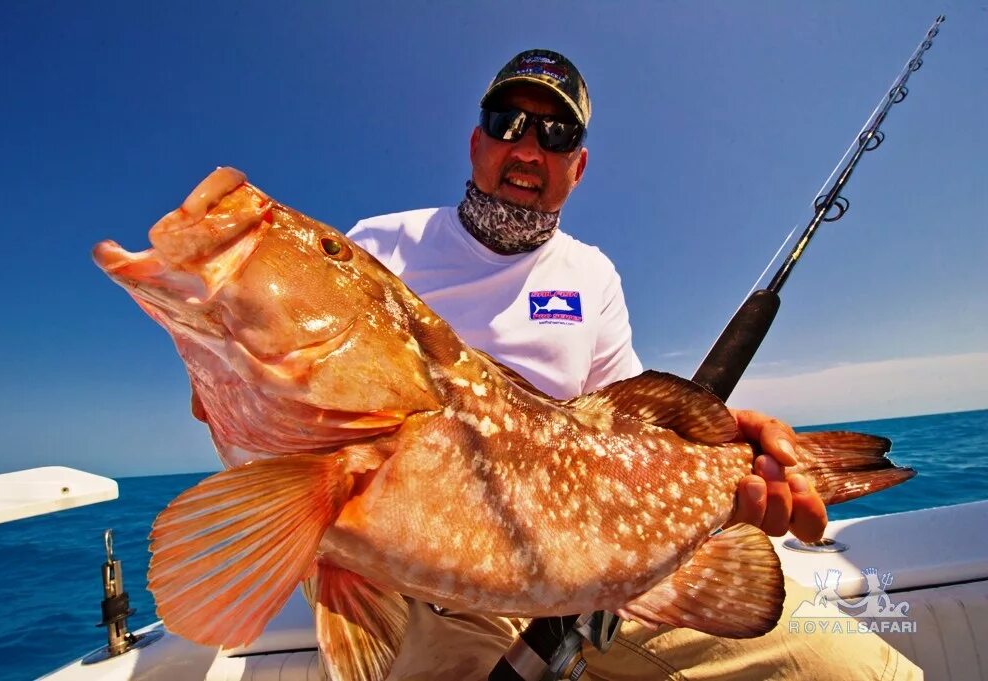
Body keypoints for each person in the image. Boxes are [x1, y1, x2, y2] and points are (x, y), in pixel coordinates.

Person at [336, 50, 922, 680]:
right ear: (477, 141)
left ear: (578, 166)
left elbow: (629, 422)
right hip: (418, 577)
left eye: (557, 135)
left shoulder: (591, 273)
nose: (529, 149)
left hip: (594, 557)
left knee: (849, 670)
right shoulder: (376, 247)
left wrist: (721, 441)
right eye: (510, 122)